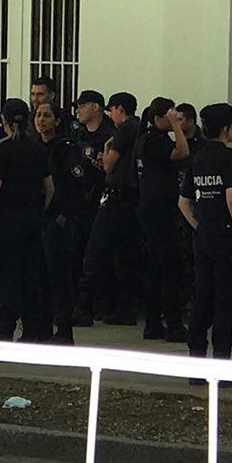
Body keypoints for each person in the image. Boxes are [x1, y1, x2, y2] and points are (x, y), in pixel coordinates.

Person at [178, 103, 232, 361]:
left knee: (202, 298)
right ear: (226, 128)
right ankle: (221, 363)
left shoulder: (197, 157)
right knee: (224, 302)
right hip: (225, 236)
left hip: (204, 235)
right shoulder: (230, 158)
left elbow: (183, 202)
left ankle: (196, 360)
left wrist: (199, 225)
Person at [0, 98, 53, 342]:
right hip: (32, 221)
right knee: (29, 277)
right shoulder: (37, 149)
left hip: (6, 223)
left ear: (4, 120)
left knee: (6, 277)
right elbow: (49, 187)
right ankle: (32, 330)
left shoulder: (2, 151)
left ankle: (5, 331)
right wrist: (38, 210)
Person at [80, 92, 144, 327]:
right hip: (132, 199)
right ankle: (124, 308)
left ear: (119, 109)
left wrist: (107, 149)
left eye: (111, 110)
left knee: (95, 252)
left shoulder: (124, 130)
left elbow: (109, 164)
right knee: (125, 257)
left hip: (116, 199)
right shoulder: (139, 128)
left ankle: (85, 307)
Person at [135, 97, 191, 342]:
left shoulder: (152, 140)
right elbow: (182, 151)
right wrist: (177, 126)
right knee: (170, 266)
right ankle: (173, 322)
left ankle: (154, 322)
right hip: (157, 209)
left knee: (157, 267)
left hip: (156, 208)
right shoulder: (152, 141)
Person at [36, 101, 85, 343]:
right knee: (39, 278)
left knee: (60, 278)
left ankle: (64, 331)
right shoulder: (33, 147)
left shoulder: (65, 149)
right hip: (37, 220)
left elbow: (76, 186)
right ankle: (41, 328)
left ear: (56, 121)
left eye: (47, 115)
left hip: (58, 221)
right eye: (38, 115)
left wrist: (63, 217)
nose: (41, 120)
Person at [65, 91, 109, 322]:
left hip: (102, 202)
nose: (78, 111)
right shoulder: (77, 134)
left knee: (98, 256)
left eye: (82, 106)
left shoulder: (110, 134)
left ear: (95, 107)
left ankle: (94, 305)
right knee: (77, 253)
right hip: (78, 202)